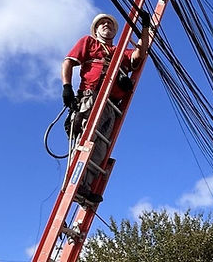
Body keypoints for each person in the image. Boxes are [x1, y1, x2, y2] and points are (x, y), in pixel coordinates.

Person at [61, 11, 153, 207]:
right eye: (102, 24)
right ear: (96, 30)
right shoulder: (89, 43)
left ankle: (85, 187)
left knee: (101, 148)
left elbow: (139, 54)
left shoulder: (120, 51)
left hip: (111, 105)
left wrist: (145, 28)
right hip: (91, 98)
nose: (106, 26)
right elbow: (68, 62)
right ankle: (75, 183)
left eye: (110, 25)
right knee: (86, 140)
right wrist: (67, 86)